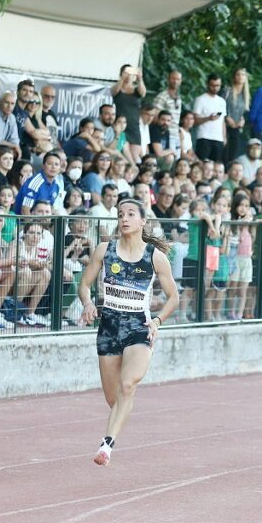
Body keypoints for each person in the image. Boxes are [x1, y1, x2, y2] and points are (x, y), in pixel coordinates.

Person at [78, 199, 179, 466]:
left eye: (131, 214)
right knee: (114, 399)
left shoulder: (155, 257)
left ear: (142, 221)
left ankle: (106, 446)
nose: (124, 218)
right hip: (109, 325)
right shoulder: (104, 250)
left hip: (139, 327)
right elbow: (84, 284)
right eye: (120, 214)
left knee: (127, 385)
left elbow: (173, 298)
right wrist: (88, 303)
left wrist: (157, 321)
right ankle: (116, 426)